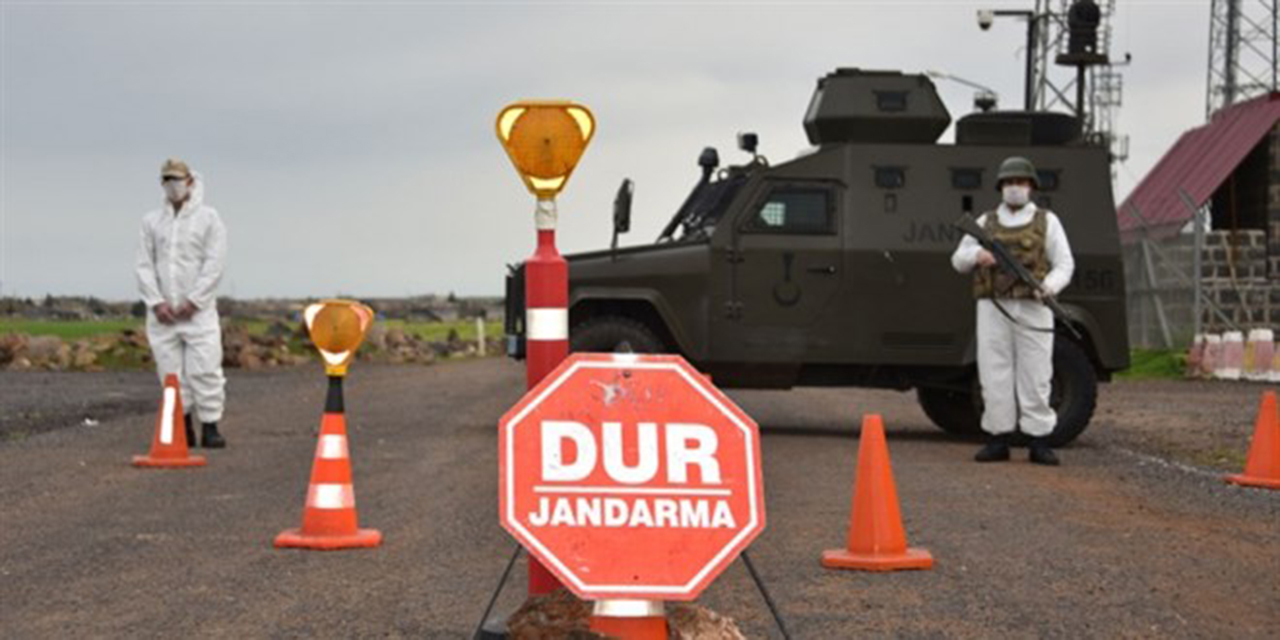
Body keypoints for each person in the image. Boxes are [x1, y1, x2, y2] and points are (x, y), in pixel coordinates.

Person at [950, 156, 1074, 465]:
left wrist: (1049, 286)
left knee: (1036, 373)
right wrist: (978, 254)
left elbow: (1064, 263)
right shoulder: (985, 222)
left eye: (1019, 182)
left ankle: (1039, 440)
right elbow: (958, 259)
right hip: (994, 307)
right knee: (994, 372)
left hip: (1033, 306)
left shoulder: (1047, 221)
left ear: (1031, 186)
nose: (1014, 188)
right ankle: (998, 437)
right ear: (1000, 187)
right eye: (1008, 183)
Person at [135, 158, 228, 448]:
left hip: (197, 313)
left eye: (177, 179)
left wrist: (195, 300)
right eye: (167, 180)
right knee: (170, 372)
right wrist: (156, 302)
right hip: (163, 314)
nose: (172, 186)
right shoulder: (151, 222)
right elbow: (143, 265)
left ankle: (210, 425)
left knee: (205, 367)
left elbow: (215, 263)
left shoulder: (209, 219)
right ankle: (182, 426)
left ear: (190, 181)